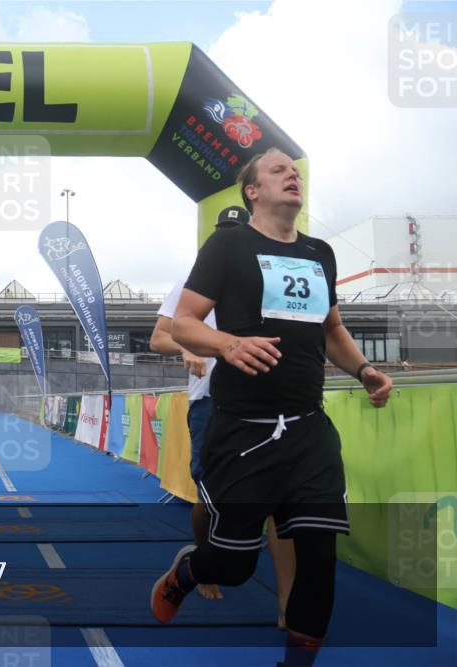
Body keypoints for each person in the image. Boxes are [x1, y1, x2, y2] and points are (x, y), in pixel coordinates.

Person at [150, 148, 393, 667]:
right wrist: (229, 344)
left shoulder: (320, 253)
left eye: (295, 170)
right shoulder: (227, 245)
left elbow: (331, 329)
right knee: (233, 566)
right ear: (253, 191)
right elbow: (183, 323)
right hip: (243, 430)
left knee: (319, 557)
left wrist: (364, 370)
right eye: (279, 170)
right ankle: (188, 572)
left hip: (308, 428)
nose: (292, 175)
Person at [151, 205, 297, 620]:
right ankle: (204, 563)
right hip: (211, 402)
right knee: (211, 499)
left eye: (237, 229)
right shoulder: (192, 279)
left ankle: (287, 603)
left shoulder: (268, 277)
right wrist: (186, 349)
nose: (230, 237)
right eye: (224, 231)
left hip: (268, 403)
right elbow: (159, 337)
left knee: (280, 502)